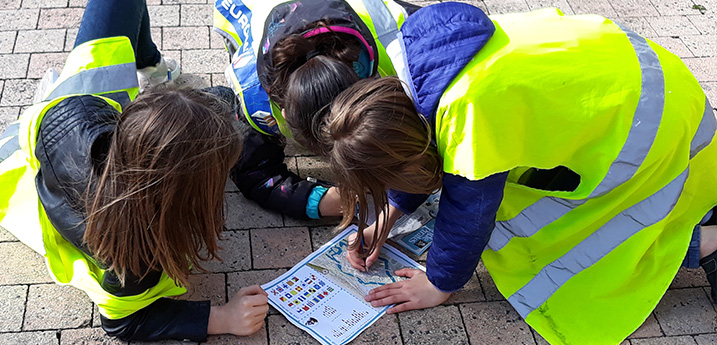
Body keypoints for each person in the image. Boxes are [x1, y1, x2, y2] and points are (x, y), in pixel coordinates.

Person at [310, 3, 717, 345]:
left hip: (649, 119)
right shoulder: (414, 75)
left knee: (584, 238)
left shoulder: (470, 115)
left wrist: (437, 283)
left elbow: (469, 211)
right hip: (642, 75)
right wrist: (387, 217)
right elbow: (416, 149)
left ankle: (708, 243)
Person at [0, 0, 268, 342]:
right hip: (19, 169)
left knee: (221, 99)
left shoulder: (81, 109)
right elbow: (123, 324)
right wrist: (222, 318)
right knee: (224, 101)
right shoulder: (139, 254)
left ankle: (152, 65)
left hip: (67, 131)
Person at [213, 0, 419, 220]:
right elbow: (255, 174)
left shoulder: (402, 44)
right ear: (284, 115)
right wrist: (321, 201)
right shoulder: (256, 100)